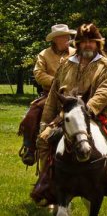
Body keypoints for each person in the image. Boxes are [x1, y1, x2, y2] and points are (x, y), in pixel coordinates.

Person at [34, 23, 107, 203]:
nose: (88, 45)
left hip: (98, 111)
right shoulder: (66, 64)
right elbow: (53, 95)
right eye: (84, 42)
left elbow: (105, 91)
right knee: (43, 138)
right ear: (78, 44)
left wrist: (87, 110)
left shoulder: (105, 64)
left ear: (98, 44)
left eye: (92, 42)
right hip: (68, 112)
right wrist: (45, 121)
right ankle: (47, 182)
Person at [20, 24, 77, 165]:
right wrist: (56, 82)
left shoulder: (76, 53)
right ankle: (30, 148)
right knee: (31, 115)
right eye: (64, 36)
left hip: (73, 94)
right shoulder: (44, 54)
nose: (67, 38)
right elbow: (38, 74)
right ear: (55, 39)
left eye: (68, 36)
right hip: (49, 94)